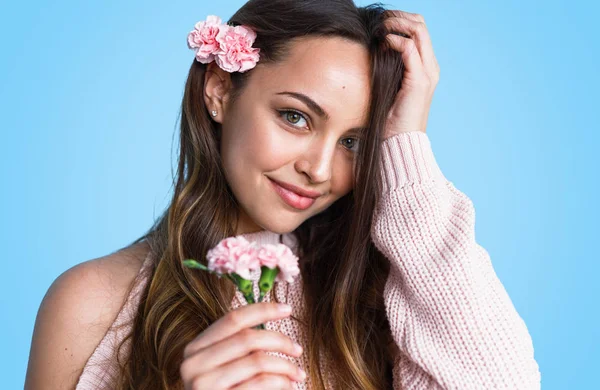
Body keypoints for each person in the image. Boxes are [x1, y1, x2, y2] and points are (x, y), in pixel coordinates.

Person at [25, 0, 542, 389]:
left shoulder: (382, 300)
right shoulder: (93, 303)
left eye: (354, 143)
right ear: (220, 90)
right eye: (295, 117)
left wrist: (408, 146)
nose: (318, 169)